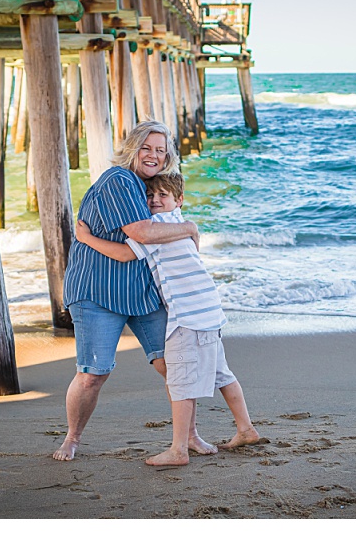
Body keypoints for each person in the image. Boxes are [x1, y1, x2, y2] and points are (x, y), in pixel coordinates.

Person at [75, 172, 261, 466]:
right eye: (150, 196)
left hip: (186, 315)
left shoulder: (158, 227)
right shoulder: (181, 226)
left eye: (163, 195)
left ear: (179, 200)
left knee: (179, 381)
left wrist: (86, 238)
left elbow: (124, 254)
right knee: (219, 373)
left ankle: (178, 450)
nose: (155, 201)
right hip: (208, 309)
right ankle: (246, 428)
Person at [53, 121, 208, 462]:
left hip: (140, 288)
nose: (153, 155)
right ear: (132, 148)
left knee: (173, 363)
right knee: (94, 373)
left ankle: (190, 436)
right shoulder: (119, 179)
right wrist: (190, 227)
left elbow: (152, 236)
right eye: (147, 148)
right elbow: (143, 233)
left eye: (160, 150)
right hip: (98, 289)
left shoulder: (149, 186)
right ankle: (72, 439)